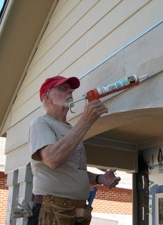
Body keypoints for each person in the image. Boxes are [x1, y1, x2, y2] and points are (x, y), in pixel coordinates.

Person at [28, 75, 121, 225]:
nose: (70, 91)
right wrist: (86, 120)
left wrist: (100, 178)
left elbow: (75, 169)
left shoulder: (71, 129)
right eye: (62, 88)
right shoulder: (41, 123)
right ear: (47, 97)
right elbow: (52, 160)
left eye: (71, 89)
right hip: (52, 211)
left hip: (76, 213)